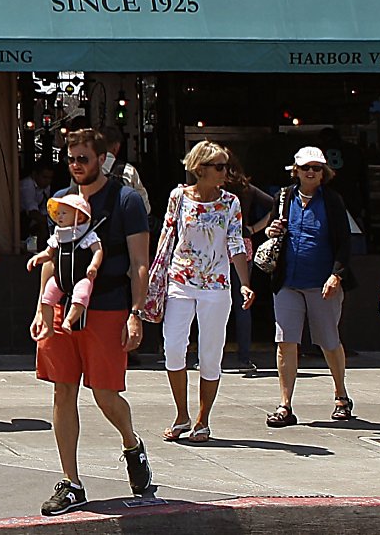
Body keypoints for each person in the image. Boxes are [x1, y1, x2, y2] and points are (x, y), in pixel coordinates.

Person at [30, 127, 155, 517]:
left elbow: (139, 263)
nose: (76, 165)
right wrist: (41, 309)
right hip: (62, 306)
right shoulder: (60, 202)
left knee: (104, 394)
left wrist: (136, 314)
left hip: (108, 306)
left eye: (83, 158)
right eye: (70, 159)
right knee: (62, 391)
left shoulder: (125, 200)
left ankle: (132, 444)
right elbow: (51, 258)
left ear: (102, 158)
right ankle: (72, 482)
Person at [147, 141, 251, 443]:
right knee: (174, 348)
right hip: (180, 281)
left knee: (210, 353)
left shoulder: (230, 202)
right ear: (200, 168)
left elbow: (235, 242)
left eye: (226, 166)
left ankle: (203, 419)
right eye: (219, 166)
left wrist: (245, 282)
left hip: (216, 285)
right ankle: (182, 414)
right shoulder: (179, 197)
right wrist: (155, 278)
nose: (225, 172)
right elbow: (167, 237)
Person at [263, 144, 355, 427]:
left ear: (324, 172)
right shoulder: (284, 197)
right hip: (288, 281)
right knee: (286, 342)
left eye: (317, 168)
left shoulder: (332, 201)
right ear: (296, 171)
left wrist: (336, 275)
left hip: (321, 282)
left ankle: (341, 395)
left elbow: (344, 242)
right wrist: (270, 231)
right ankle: (285, 404)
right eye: (306, 168)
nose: (312, 173)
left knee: (329, 341)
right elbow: (271, 229)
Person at [225, 162, 275, 377]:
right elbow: (276, 206)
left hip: (216, 246)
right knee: (242, 303)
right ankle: (244, 358)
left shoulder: (215, 191)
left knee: (216, 303)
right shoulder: (246, 189)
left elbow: (276, 206)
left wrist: (253, 228)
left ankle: (210, 357)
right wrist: (254, 229)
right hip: (242, 243)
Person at [31, 190, 106, 331]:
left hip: (81, 277)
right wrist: (37, 258)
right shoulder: (58, 235)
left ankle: (69, 321)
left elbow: (98, 250)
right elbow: (49, 252)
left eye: (64, 213)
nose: (59, 216)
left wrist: (93, 266)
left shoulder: (88, 235)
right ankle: (48, 326)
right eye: (58, 213)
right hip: (60, 279)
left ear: (80, 217)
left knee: (81, 296)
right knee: (46, 298)